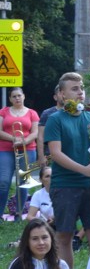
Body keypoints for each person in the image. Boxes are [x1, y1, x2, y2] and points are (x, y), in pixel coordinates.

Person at [45, 72, 90, 269]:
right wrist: (84, 170)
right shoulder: (55, 119)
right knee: (64, 235)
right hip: (65, 185)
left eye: (81, 88)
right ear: (62, 95)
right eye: (74, 89)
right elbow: (55, 153)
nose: (80, 92)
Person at [0, 87, 39, 216]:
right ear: (10, 99)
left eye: (19, 95)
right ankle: (0, 213)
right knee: (4, 182)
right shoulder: (3, 112)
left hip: (27, 149)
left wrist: (24, 141)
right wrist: (14, 139)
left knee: (23, 182)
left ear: (24, 96)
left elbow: (35, 132)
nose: (17, 98)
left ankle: (19, 213)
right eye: (14, 96)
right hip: (6, 149)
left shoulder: (32, 113)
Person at [36, 86, 63, 168]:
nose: (63, 95)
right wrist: (41, 156)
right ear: (55, 97)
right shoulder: (47, 113)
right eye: (60, 93)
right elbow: (40, 136)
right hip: (51, 155)